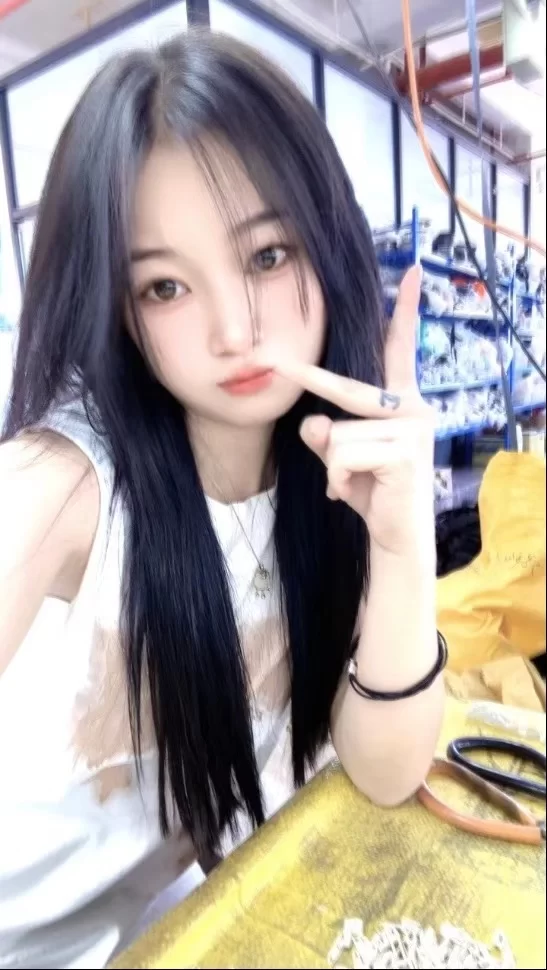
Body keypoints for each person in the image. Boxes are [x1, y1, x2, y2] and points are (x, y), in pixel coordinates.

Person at [0, 30, 444, 970]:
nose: (234, 330)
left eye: (267, 255)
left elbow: (385, 770)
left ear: (323, 241)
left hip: (160, 936)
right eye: (165, 286)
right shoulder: (64, 485)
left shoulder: (325, 474)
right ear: (117, 310)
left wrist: (403, 544)